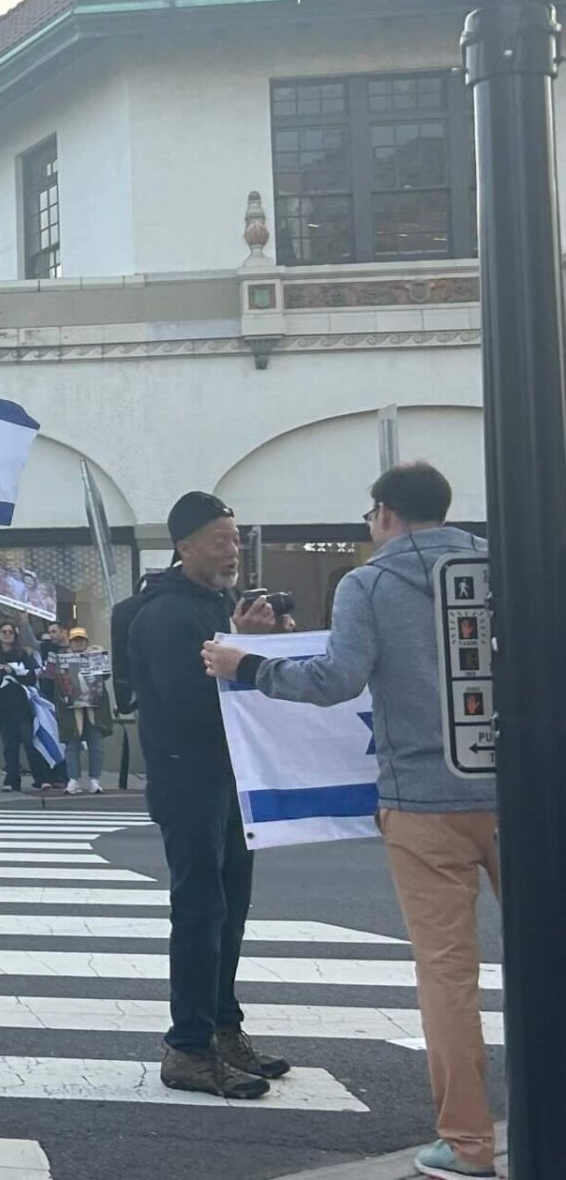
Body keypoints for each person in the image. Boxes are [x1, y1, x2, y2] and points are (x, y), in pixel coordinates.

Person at [201, 464, 497, 1177]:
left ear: (386, 514)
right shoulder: (496, 568)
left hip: (423, 798)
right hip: (525, 789)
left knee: (448, 973)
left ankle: (469, 1144)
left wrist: (246, 666)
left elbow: (337, 679)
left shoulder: (369, 584)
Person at [124, 489, 288, 1099]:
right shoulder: (166, 615)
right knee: (200, 909)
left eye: (236, 538)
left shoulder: (213, 605)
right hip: (187, 775)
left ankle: (222, 1027)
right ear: (183, 546)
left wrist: (254, 646)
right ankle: (187, 1046)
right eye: (221, 541)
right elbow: (191, 705)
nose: (233, 551)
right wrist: (239, 650)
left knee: (231, 904)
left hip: (228, 774)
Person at [0, 620, 41, 793]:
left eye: (10, 632)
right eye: (4, 632)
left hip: (22, 706)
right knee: (9, 745)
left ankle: (40, 777)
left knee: (29, 742)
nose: (7, 635)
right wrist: (1, 671)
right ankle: (12, 779)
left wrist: (14, 671)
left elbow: (31, 677)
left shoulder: (23, 654)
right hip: (2, 707)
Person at [56, 627, 111, 795]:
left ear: (86, 641)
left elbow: (106, 675)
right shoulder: (63, 659)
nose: (78, 642)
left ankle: (95, 780)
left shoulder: (96, 656)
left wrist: (101, 656)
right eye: (75, 640)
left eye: (81, 639)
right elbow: (56, 683)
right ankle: (73, 779)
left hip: (94, 709)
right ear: (70, 642)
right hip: (72, 711)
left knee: (97, 746)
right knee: (71, 746)